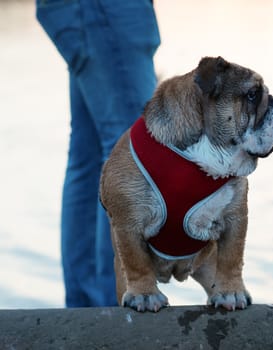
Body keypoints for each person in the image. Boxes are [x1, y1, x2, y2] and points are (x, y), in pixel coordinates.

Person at [36, 0, 161, 307]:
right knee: (135, 155)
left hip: (89, 10)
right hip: (105, 9)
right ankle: (117, 316)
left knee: (90, 158)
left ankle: (89, 316)